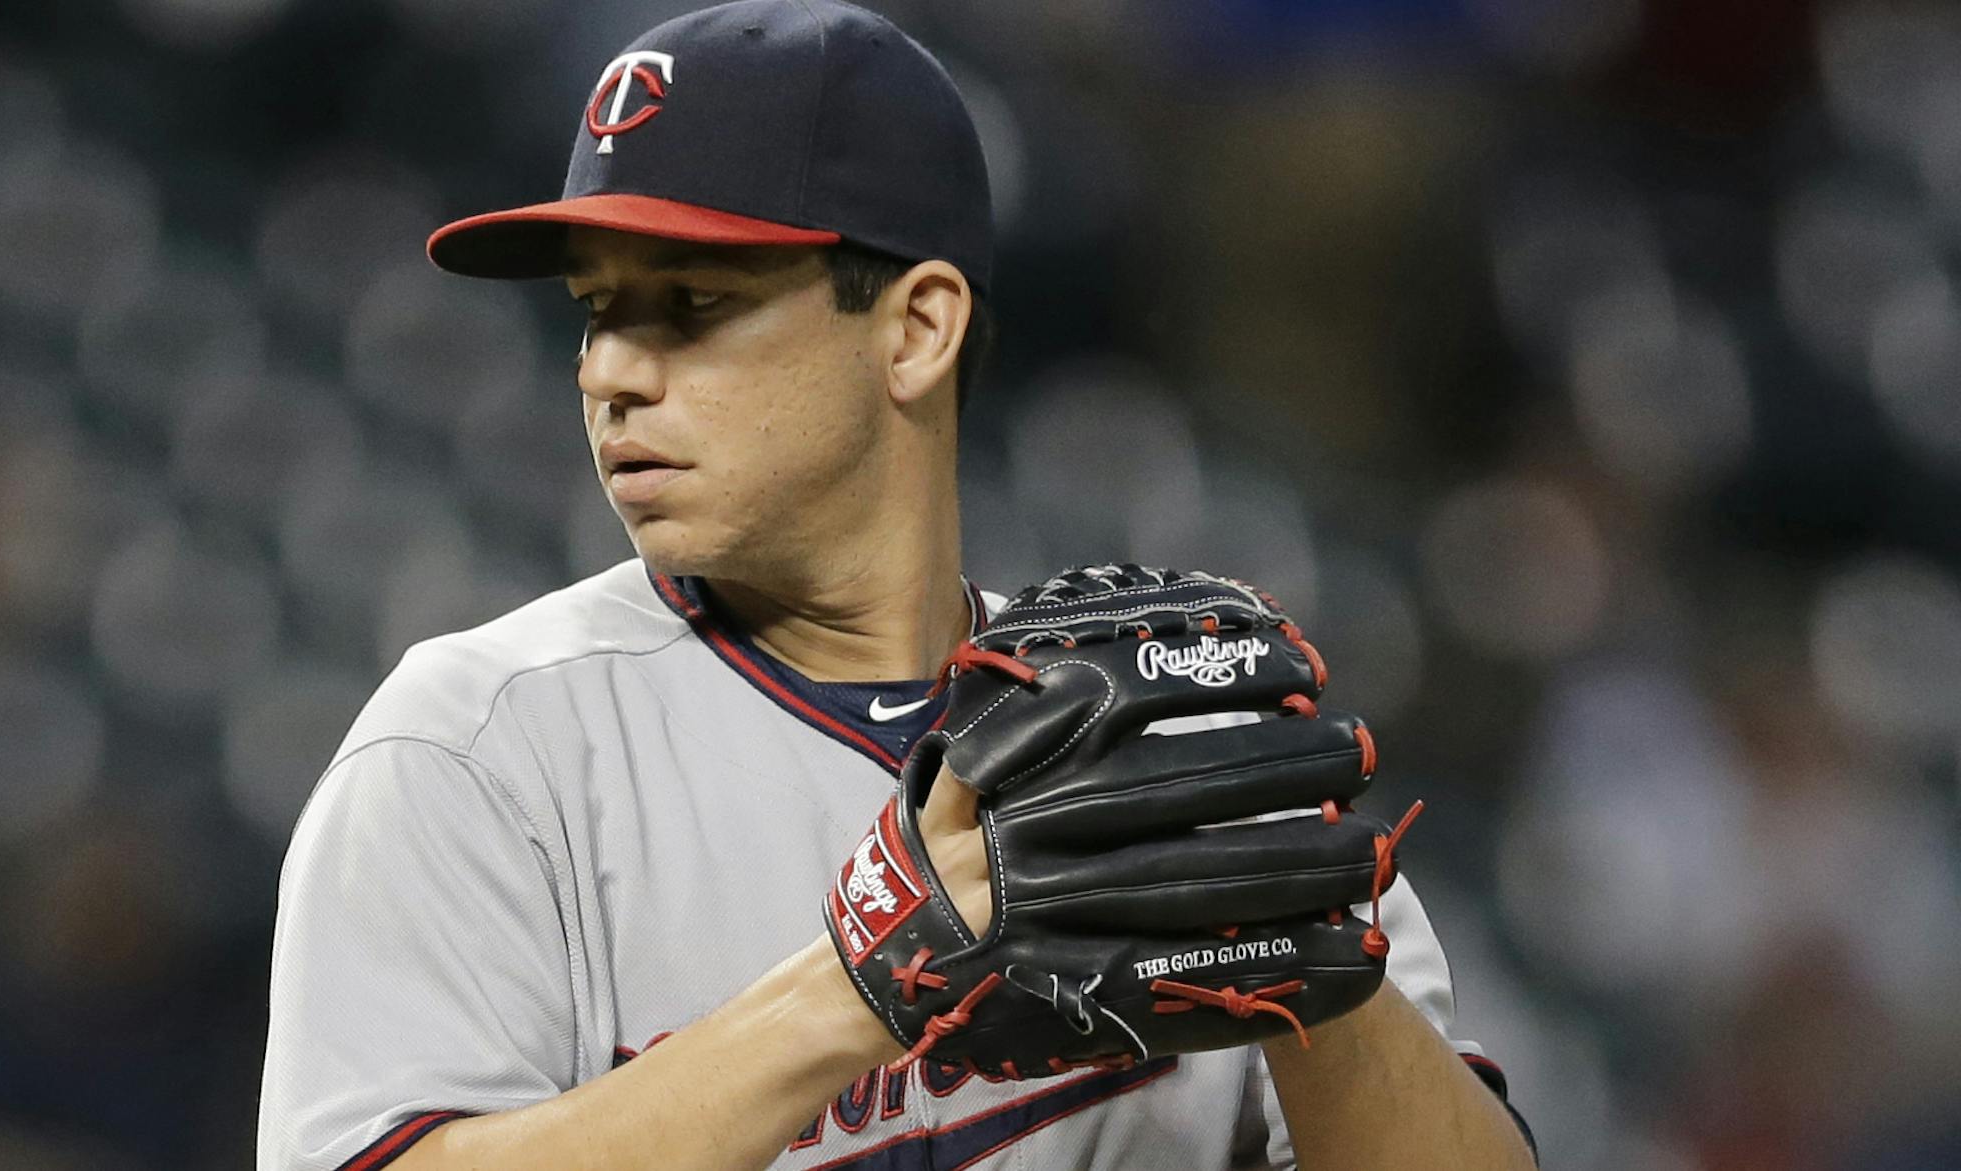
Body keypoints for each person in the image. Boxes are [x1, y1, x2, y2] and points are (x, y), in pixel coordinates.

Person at [256, 2, 1536, 1168]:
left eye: (691, 304)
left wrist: (1305, 961)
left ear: (918, 327)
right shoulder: (482, 748)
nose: (612, 375)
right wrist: (854, 991)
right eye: (599, 311)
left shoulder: (1172, 736)